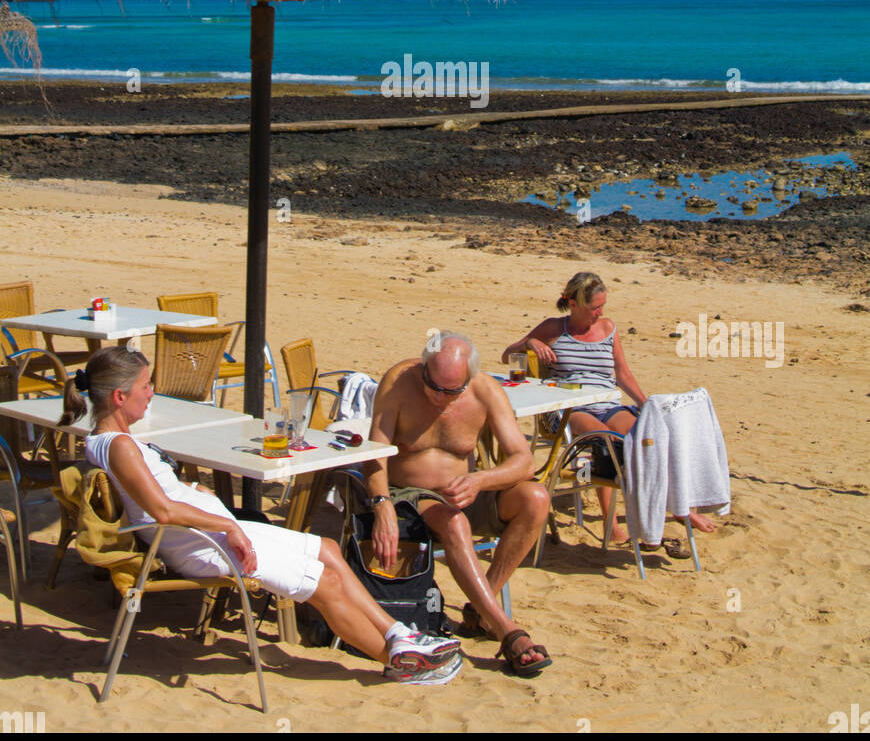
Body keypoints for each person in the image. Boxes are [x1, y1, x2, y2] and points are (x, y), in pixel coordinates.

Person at [59, 347, 461, 685]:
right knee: (325, 583)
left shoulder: (110, 442)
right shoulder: (120, 447)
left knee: (326, 549)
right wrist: (226, 525)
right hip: (200, 545)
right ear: (118, 397)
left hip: (206, 531)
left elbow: (161, 495)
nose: (151, 393)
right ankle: (400, 665)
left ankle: (399, 635)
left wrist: (198, 493)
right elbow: (161, 510)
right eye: (145, 386)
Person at [367, 330, 552, 677]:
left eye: (450, 391)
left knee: (536, 499)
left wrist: (480, 479)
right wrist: (381, 504)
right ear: (423, 367)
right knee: (455, 522)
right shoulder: (399, 382)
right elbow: (375, 454)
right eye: (431, 385)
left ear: (468, 378)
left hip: (465, 491)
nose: (438, 397)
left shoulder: (485, 391)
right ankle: (507, 630)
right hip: (411, 495)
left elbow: (524, 460)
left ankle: (481, 609)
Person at [502, 271, 715, 545]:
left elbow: (623, 374)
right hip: (570, 407)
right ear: (574, 304)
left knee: (651, 438)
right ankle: (610, 524)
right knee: (606, 443)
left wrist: (647, 405)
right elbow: (507, 355)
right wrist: (530, 342)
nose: (599, 312)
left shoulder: (608, 328)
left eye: (602, 306)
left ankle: (681, 508)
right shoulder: (553, 328)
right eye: (594, 308)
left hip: (608, 403)